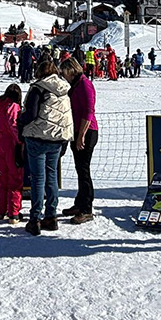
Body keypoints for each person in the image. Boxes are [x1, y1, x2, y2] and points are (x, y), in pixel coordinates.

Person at [18, 59, 72, 236]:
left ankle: (35, 219)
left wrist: (19, 122)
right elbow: (66, 116)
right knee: (52, 178)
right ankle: (51, 216)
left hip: (38, 138)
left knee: (38, 179)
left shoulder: (38, 88)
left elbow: (31, 114)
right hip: (57, 139)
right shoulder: (64, 90)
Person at [61, 58, 98, 224]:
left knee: (84, 171)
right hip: (76, 131)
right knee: (79, 169)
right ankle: (80, 203)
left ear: (71, 71)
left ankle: (87, 209)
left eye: (65, 73)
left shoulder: (84, 84)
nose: (64, 77)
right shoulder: (75, 85)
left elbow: (88, 111)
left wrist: (81, 135)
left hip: (87, 132)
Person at [0, 84, 24, 223]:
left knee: (3, 177)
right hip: (12, 144)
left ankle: (0, 211)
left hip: (1, 142)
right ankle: (13, 213)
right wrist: (21, 141)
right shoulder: (13, 106)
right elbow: (13, 125)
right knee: (15, 178)